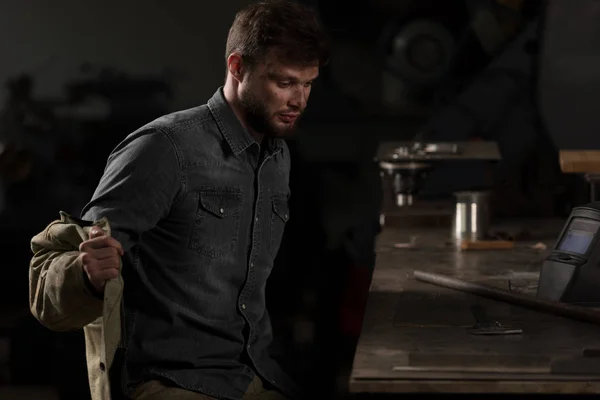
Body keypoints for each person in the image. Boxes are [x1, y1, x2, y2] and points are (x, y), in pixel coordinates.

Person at [29, 1, 330, 399]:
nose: (300, 100)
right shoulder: (165, 148)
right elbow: (49, 271)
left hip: (252, 373)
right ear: (237, 67)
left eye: (308, 84)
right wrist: (83, 275)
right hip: (169, 381)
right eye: (285, 82)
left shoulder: (277, 155)